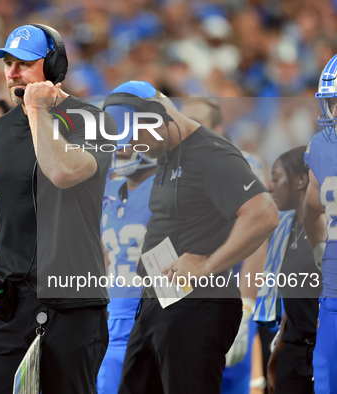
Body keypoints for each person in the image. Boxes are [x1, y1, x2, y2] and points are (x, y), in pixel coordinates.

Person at [0, 24, 116, 393]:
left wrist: (36, 110)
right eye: (8, 63)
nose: (12, 73)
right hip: (9, 301)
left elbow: (62, 171)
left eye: (24, 64)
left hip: (72, 302)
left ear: (54, 67)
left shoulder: (94, 122)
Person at [104, 82, 279, 394]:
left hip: (196, 308)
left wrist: (208, 265)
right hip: (159, 301)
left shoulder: (210, 153)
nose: (132, 147)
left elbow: (263, 213)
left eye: (135, 137)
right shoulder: (169, 153)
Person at [181, 96, 264, 394]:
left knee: (230, 380)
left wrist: (247, 301)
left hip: (230, 291)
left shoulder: (242, 165)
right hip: (184, 297)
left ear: (218, 128)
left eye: (197, 123)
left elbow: (259, 237)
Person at [97, 81, 157, 394]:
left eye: (128, 130)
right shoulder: (105, 188)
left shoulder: (171, 187)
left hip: (148, 326)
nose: (120, 143)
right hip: (107, 327)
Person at [254, 146, 320, 394]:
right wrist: (279, 347)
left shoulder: (327, 229)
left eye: (276, 177)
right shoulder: (285, 227)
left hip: (323, 348)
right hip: (292, 350)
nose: (270, 186)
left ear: (301, 181)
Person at [303, 53, 337, 393]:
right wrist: (317, 245)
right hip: (333, 292)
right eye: (332, 103)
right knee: (325, 377)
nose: (334, 112)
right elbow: (312, 206)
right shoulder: (322, 147)